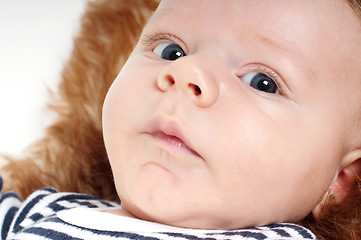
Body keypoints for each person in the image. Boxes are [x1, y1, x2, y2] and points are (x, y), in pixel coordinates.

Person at [1, 0, 361, 239]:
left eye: (262, 82)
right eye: (170, 50)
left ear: (341, 180)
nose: (187, 71)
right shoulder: (48, 208)